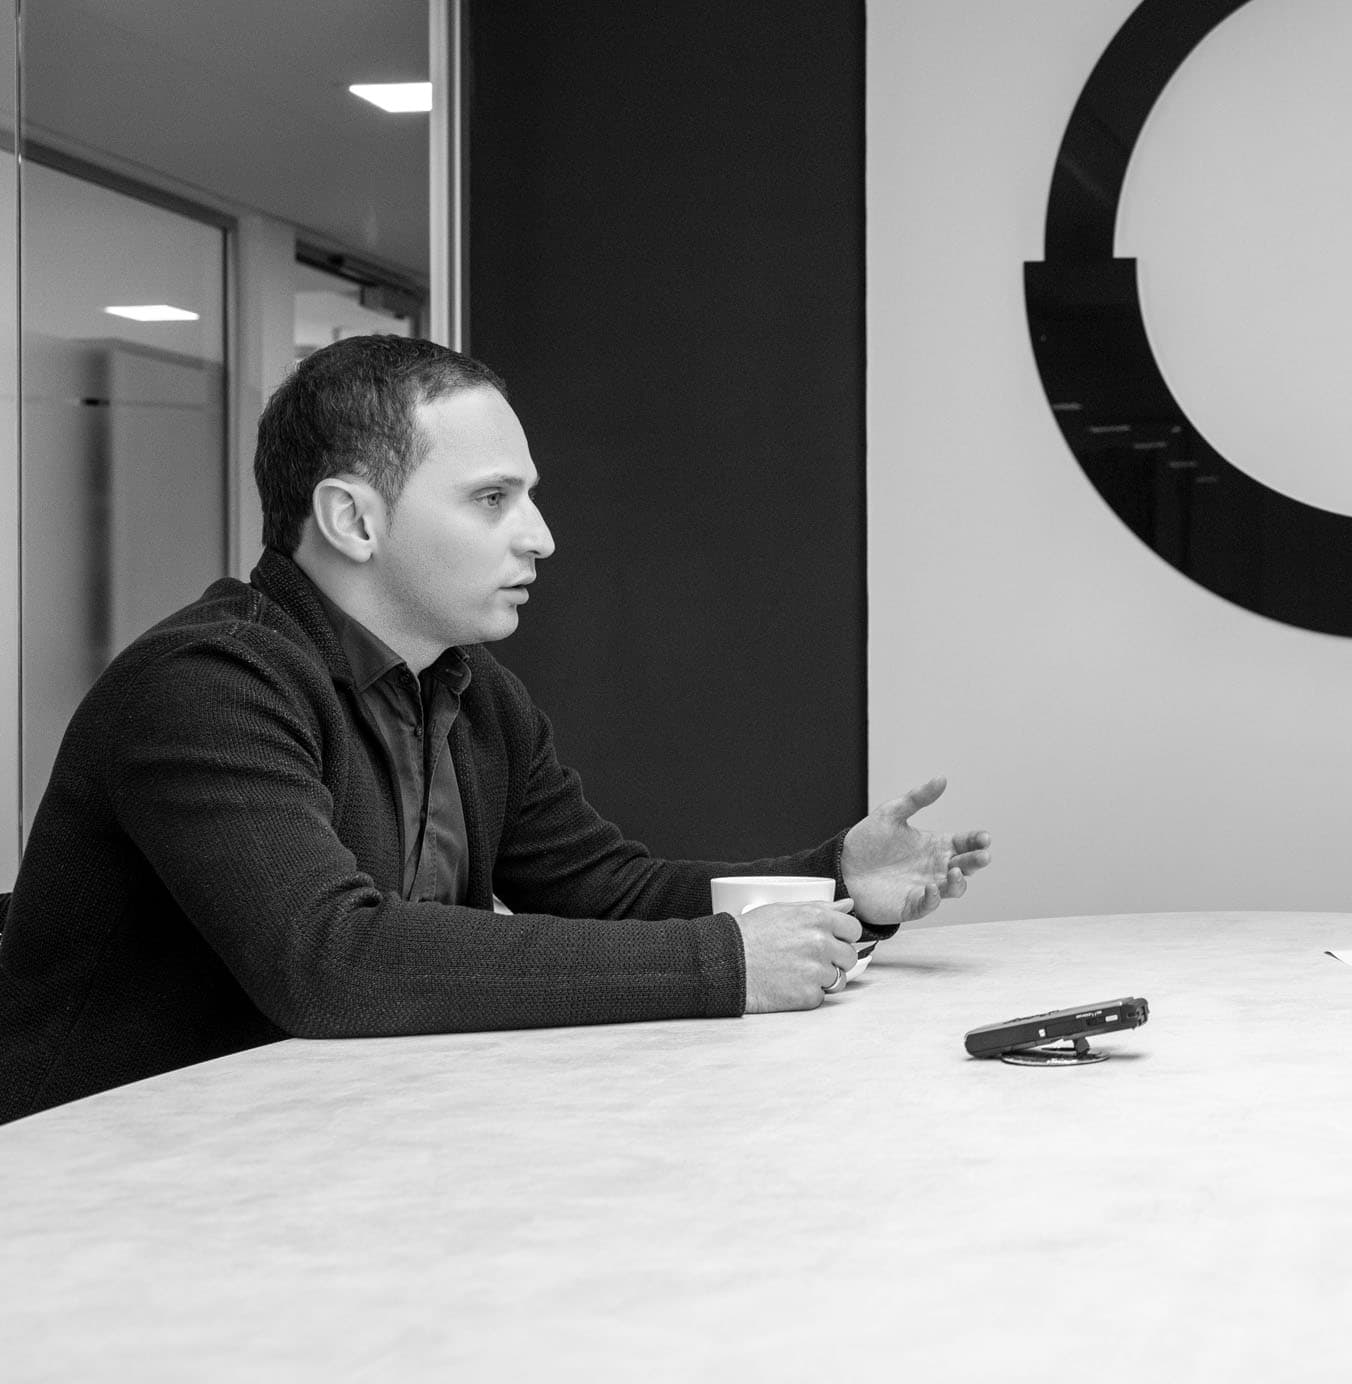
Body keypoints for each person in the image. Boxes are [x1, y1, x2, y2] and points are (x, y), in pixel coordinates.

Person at [0, 335, 991, 1125]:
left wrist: (836, 882)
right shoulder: (206, 685)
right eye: (491, 499)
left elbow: (607, 893)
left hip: (314, 1145)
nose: (540, 536)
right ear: (352, 520)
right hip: (90, 1186)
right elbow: (332, 963)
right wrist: (723, 964)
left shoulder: (470, 691)